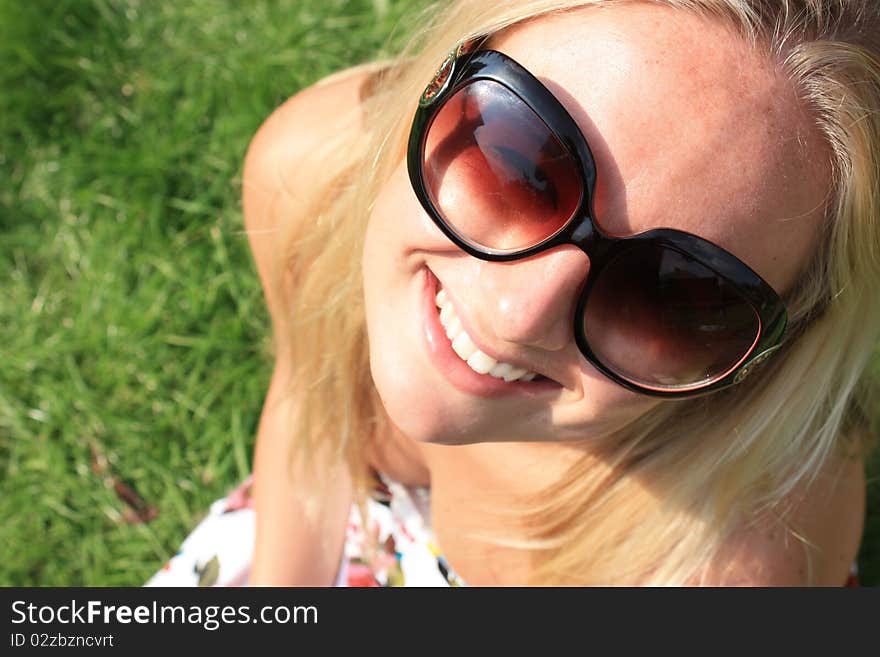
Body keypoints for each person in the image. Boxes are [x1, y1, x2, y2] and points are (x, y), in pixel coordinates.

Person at [150, 0, 880, 587]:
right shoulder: (311, 172)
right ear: (444, 72)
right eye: (519, 161)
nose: (516, 316)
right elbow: (310, 406)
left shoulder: (721, 563)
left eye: (673, 295)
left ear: (766, 360)